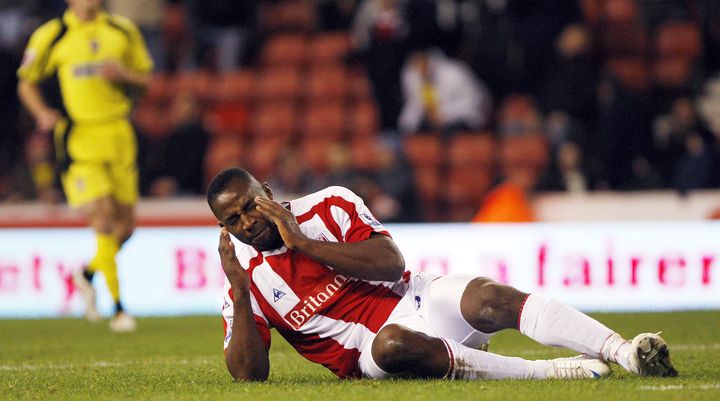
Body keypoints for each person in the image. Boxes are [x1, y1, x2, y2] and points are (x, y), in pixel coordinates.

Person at [207, 167, 678, 381]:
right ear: (223, 228)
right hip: (373, 354)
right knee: (394, 343)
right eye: (233, 220)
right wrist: (244, 295)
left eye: (251, 206)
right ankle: (547, 373)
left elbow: (390, 263)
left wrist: (304, 244)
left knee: (489, 297)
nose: (247, 223)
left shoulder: (329, 204)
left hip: (415, 297)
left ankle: (626, 351)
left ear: (266, 191)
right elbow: (250, 376)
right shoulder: (241, 281)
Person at [17, 0, 153, 332]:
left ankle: (87, 274)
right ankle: (119, 309)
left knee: (125, 229)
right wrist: (42, 113)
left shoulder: (122, 30)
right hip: (79, 137)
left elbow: (146, 81)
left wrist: (124, 75)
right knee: (104, 220)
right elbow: (26, 82)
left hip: (119, 134)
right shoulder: (53, 34)